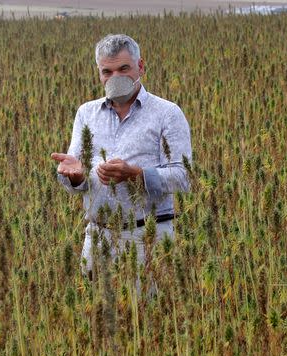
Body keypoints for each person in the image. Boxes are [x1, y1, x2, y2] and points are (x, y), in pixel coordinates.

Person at [50, 34, 192, 279]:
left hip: (148, 236)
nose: (115, 78)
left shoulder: (167, 113)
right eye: (107, 72)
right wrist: (75, 177)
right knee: (95, 312)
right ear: (99, 74)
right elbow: (75, 179)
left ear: (140, 67)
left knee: (150, 313)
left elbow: (183, 177)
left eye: (123, 69)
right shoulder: (86, 113)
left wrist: (135, 175)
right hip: (97, 236)